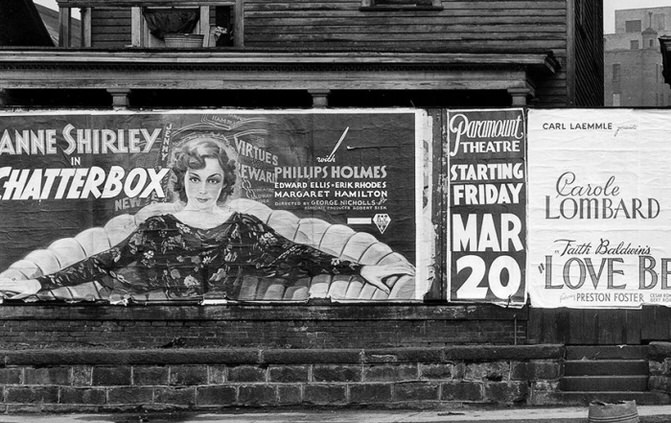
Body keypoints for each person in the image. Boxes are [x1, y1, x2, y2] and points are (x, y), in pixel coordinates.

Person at [0, 135, 414, 301]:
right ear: (182, 179)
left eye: (213, 179)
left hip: (228, 326)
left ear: (224, 182)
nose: (203, 188)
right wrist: (40, 282)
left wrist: (361, 268)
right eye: (194, 178)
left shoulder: (244, 228)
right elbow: (102, 262)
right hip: (165, 329)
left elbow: (301, 255)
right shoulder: (158, 228)